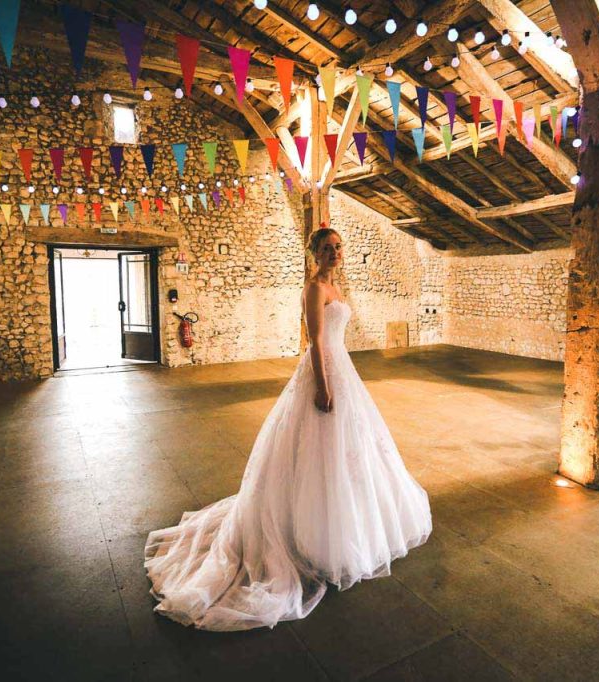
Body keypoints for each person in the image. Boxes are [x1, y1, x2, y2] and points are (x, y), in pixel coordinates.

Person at [144, 228, 432, 631]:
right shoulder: (314, 288)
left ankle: (346, 522)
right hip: (325, 372)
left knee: (351, 452)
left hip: (343, 369)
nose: (334, 253)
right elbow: (316, 341)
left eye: (338, 247)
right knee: (318, 450)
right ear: (314, 253)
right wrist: (323, 386)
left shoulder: (335, 285)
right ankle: (312, 533)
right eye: (326, 248)